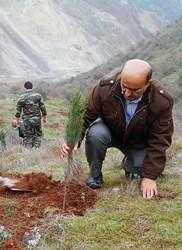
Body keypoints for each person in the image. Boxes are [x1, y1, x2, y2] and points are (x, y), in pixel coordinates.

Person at [60, 59, 174, 199]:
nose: (126, 93)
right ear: (121, 76)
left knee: (139, 174)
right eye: (124, 86)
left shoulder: (162, 101)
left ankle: (129, 163)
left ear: (148, 84)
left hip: (139, 142)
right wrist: (74, 137)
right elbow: (86, 114)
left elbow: (160, 139)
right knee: (95, 133)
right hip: (110, 133)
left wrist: (150, 177)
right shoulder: (105, 88)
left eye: (134, 90)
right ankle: (95, 176)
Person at [15, 81, 47, 148]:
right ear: (32, 87)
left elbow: (18, 111)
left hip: (27, 120)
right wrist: (45, 117)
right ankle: (36, 149)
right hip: (37, 119)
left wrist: (17, 121)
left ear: (25, 88)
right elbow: (42, 107)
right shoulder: (38, 96)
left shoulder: (21, 98)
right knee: (38, 134)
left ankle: (28, 150)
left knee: (28, 135)